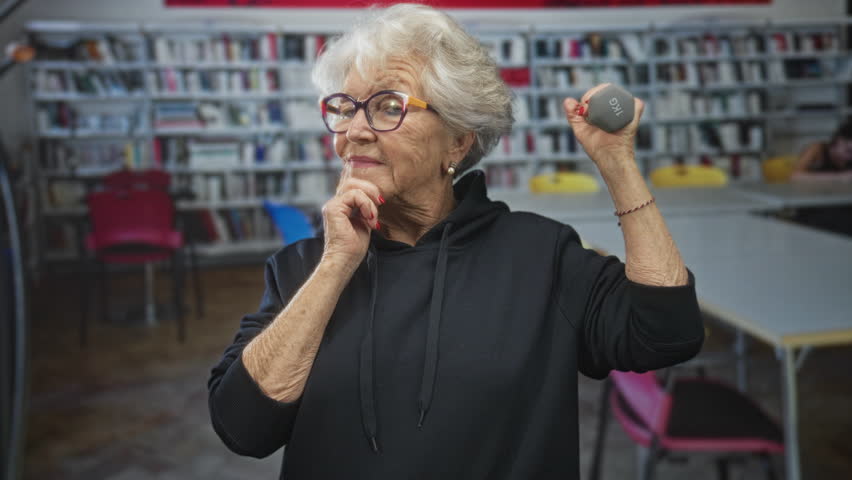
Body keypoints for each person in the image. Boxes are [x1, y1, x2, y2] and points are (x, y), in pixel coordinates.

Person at [207, 4, 704, 479]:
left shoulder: (540, 255)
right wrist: (337, 263)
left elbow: (666, 333)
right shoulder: (303, 266)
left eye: (387, 107)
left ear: (458, 140)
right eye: (345, 107)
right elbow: (242, 428)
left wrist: (617, 163)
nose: (354, 131)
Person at [791, 120, 852, 235]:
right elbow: (795, 176)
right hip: (813, 207)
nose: (849, 157)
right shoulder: (817, 149)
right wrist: (839, 177)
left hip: (841, 205)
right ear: (838, 140)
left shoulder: (849, 160)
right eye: (848, 151)